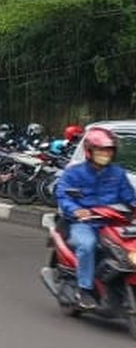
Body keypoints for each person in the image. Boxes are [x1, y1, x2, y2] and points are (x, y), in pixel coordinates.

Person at [55, 128, 136, 309]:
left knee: (129, 249)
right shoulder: (74, 173)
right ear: (89, 152)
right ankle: (85, 289)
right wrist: (76, 210)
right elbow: (62, 195)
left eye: (108, 151)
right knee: (87, 245)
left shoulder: (118, 173)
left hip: (113, 222)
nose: (104, 155)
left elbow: (129, 197)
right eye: (100, 151)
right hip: (85, 223)